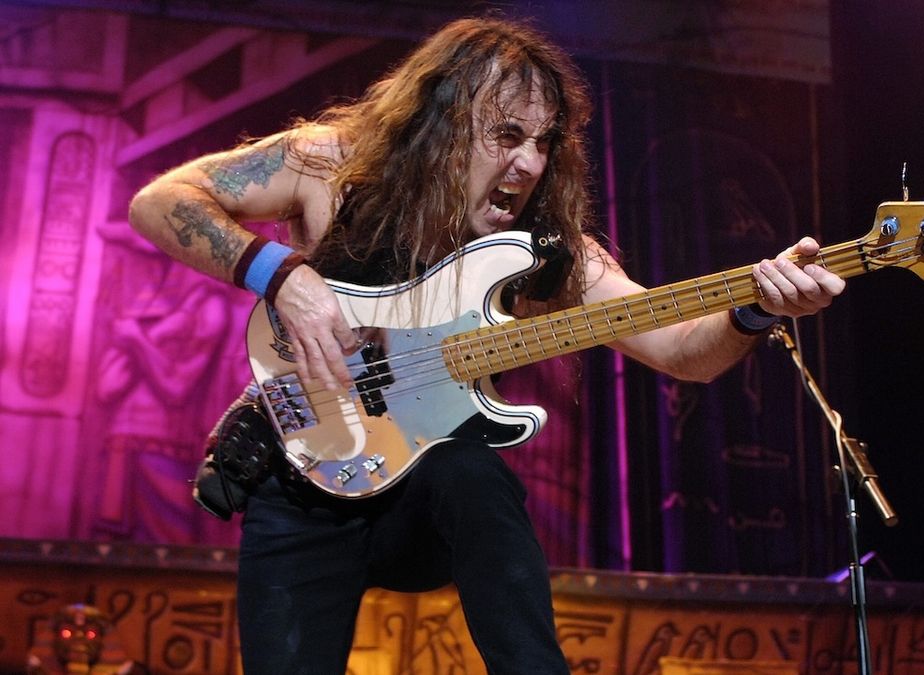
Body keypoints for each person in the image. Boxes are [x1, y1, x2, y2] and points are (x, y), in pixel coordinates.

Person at [127, 15, 845, 675]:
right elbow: (160, 202)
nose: (529, 164)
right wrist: (281, 275)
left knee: (472, 473)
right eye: (506, 136)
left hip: (429, 499)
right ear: (438, 121)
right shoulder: (328, 166)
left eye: (544, 143)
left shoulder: (550, 250)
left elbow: (684, 350)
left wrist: (752, 312)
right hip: (304, 476)